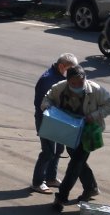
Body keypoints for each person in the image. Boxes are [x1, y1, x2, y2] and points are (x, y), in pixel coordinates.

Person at [41, 65, 110, 211]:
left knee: (75, 164)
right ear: (68, 81)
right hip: (68, 130)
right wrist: (47, 108)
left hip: (87, 133)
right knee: (79, 162)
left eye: (80, 83)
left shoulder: (95, 89)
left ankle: (61, 197)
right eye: (73, 83)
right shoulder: (60, 87)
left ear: (85, 79)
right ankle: (91, 188)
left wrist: (93, 116)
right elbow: (47, 98)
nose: (77, 86)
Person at [31, 53, 79, 194]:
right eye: (70, 70)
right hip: (46, 120)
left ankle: (51, 178)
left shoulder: (60, 76)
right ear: (61, 66)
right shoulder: (48, 80)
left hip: (59, 119)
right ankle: (37, 182)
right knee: (48, 152)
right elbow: (41, 105)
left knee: (58, 150)